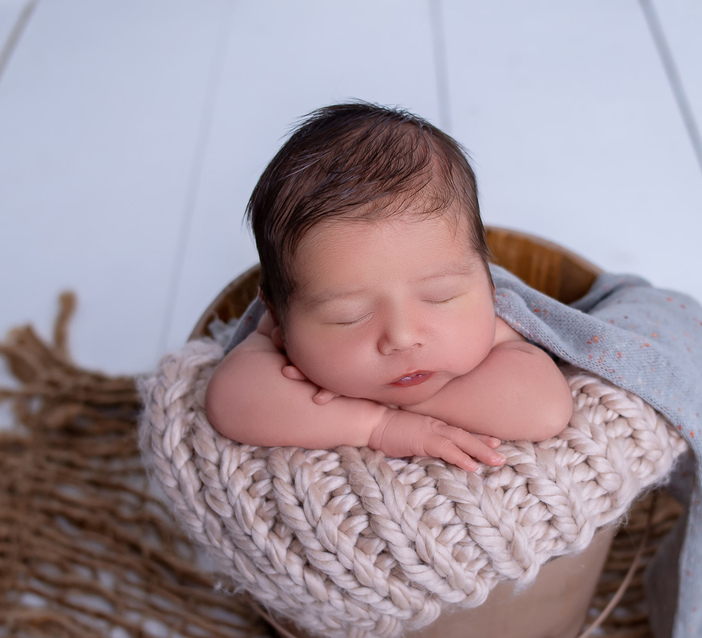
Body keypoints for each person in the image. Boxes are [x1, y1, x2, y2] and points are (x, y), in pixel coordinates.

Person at [205, 102, 574, 472]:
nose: (402, 336)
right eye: (348, 317)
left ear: (490, 286)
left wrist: (389, 401)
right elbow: (229, 400)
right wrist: (378, 426)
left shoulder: (492, 322)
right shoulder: (278, 332)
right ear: (279, 318)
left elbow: (543, 408)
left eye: (439, 297)